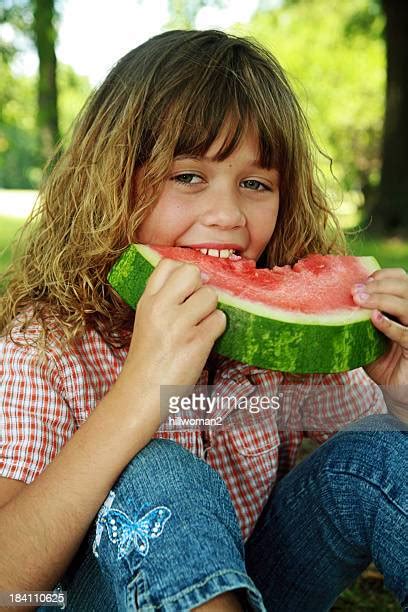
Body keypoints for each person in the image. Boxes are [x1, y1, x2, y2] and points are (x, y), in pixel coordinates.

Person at [0, 29, 407, 612]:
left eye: (255, 184)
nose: (227, 214)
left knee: (384, 454)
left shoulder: (275, 351)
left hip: (250, 583)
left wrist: (401, 397)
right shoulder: (48, 346)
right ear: (111, 184)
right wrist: (139, 395)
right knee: (161, 472)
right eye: (188, 175)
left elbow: (375, 476)